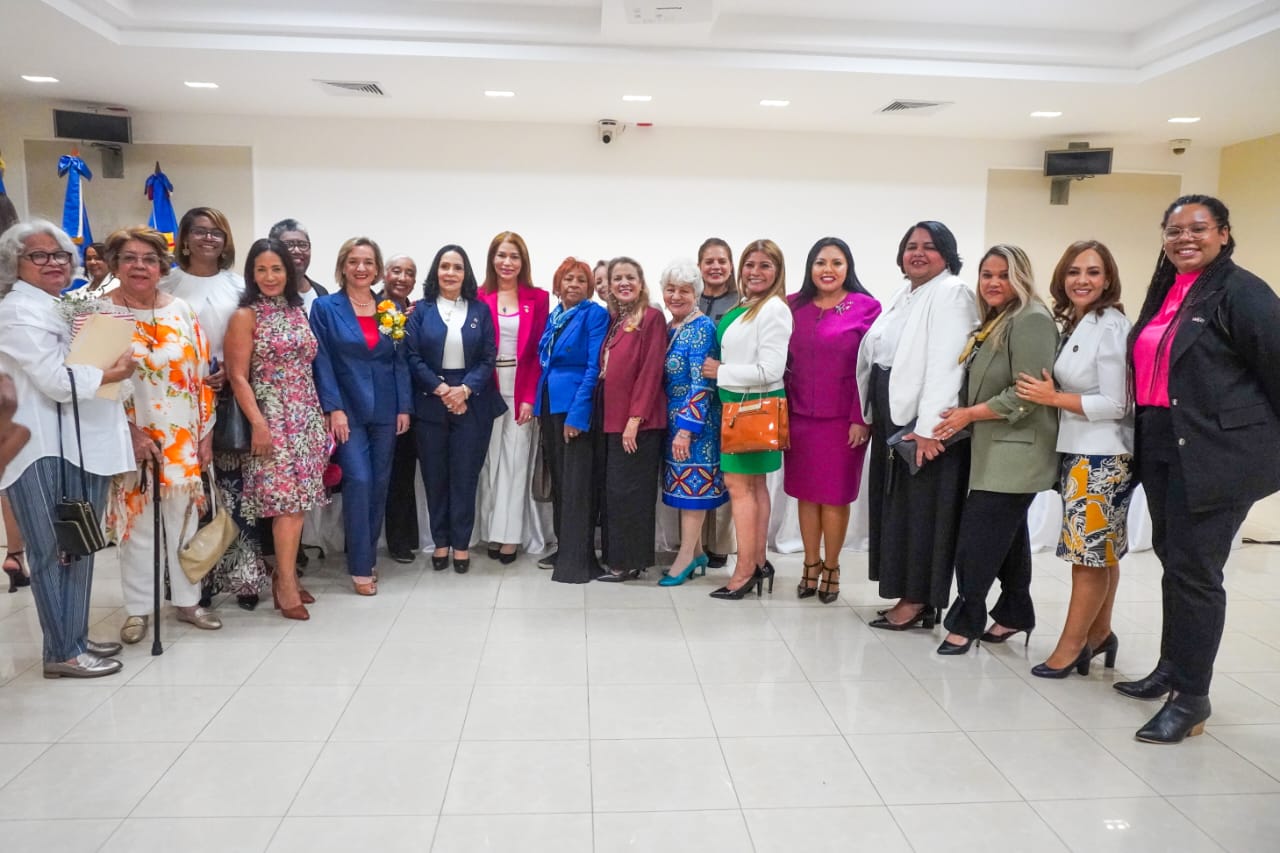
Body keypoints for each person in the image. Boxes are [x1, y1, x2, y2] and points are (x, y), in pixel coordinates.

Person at [1116, 195, 1280, 744]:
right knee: (1173, 559)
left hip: (1216, 454)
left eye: (1198, 228)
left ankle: (1192, 698)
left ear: (1225, 234)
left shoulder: (1243, 292)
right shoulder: (1170, 288)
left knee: (1196, 573)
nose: (1185, 238)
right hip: (1164, 443)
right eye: (1174, 230)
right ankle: (1172, 668)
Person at [0, 220, 135, 675]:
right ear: (14, 264)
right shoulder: (18, 311)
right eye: (38, 256)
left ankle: (73, 634)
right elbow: (57, 383)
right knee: (53, 550)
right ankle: (62, 652)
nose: (53, 263)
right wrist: (111, 374)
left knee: (78, 543)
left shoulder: (58, 306)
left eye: (59, 255)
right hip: (38, 447)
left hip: (73, 443)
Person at [933, 245, 1059, 655]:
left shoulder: (1032, 320)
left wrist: (969, 414)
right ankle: (1015, 611)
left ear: (1020, 277)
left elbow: (1027, 396)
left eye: (1003, 275)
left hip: (1018, 449)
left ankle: (965, 619)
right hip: (994, 447)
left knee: (979, 538)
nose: (992, 282)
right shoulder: (999, 320)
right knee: (1008, 535)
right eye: (987, 274)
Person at [1015, 241, 1133, 678]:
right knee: (1101, 553)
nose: (1082, 280)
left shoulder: (1111, 326)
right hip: (1080, 449)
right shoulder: (1078, 322)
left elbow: (1116, 402)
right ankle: (1100, 635)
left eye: (1093, 272)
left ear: (1108, 280)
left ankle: (1071, 647)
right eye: (1074, 272)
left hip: (1101, 454)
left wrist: (1053, 398)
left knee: (1087, 558)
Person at [858, 221, 979, 631]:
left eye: (929, 246)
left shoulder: (952, 293)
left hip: (924, 421)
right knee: (898, 508)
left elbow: (949, 364)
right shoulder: (906, 292)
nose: (918, 253)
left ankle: (919, 600)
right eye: (911, 246)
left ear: (947, 253)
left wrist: (929, 428)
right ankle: (905, 590)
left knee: (923, 511)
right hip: (894, 408)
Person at [104, 225, 223, 641]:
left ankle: (188, 602)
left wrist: (205, 435)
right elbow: (94, 384)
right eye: (130, 258)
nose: (140, 266)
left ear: (162, 266)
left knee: (184, 522)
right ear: (115, 265)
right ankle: (138, 609)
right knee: (136, 526)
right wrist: (129, 433)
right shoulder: (102, 313)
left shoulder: (181, 311)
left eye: (149, 259)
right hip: (128, 437)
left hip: (182, 438)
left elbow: (202, 376)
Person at [160, 207, 268, 610]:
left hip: (229, 401)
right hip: (177, 406)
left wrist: (229, 372)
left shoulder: (237, 286)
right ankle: (192, 582)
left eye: (217, 233)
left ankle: (243, 577)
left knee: (236, 493)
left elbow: (251, 341)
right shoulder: (167, 284)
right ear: (184, 239)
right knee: (192, 495)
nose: (209, 239)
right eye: (200, 232)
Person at [224, 238, 330, 621]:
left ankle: (286, 575)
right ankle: (285, 582)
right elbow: (237, 376)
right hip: (271, 417)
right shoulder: (245, 316)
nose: (269, 277)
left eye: (276, 269)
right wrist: (258, 424)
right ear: (251, 274)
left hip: (306, 417)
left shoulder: (297, 311)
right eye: (261, 270)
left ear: (289, 272)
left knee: (299, 504)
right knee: (285, 505)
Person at [310, 237, 411, 595]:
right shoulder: (325, 308)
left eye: (368, 262)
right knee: (360, 481)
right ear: (343, 266)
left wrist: (403, 407)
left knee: (379, 484)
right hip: (347, 411)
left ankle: (365, 556)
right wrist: (332, 408)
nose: (361, 268)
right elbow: (321, 361)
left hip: (385, 409)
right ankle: (359, 567)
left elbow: (399, 360)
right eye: (354, 261)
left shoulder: (389, 308)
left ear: (377, 268)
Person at [785, 238, 882, 602]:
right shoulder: (792, 305)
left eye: (837, 263)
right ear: (810, 267)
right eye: (820, 262)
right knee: (806, 495)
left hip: (843, 422)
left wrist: (862, 418)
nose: (828, 269)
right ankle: (809, 565)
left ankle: (832, 566)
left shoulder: (867, 308)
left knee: (835, 497)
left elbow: (871, 369)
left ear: (848, 268)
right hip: (798, 418)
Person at [700, 239, 793, 599]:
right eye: (750, 265)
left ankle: (744, 571)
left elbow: (771, 369)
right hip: (739, 407)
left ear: (777, 272)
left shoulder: (774, 310)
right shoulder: (748, 306)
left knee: (742, 489)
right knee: (753, 488)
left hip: (752, 410)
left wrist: (720, 371)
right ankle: (757, 561)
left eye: (765, 266)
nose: (755, 272)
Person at [405, 245, 504, 574]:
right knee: (435, 477)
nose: (450, 273)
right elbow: (413, 356)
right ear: (436, 272)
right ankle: (441, 542)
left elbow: (489, 356)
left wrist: (463, 389)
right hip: (430, 399)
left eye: (457, 267)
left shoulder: (479, 310)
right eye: (444, 266)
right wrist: (440, 388)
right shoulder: (420, 310)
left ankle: (461, 544)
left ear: (466, 273)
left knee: (464, 476)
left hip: (472, 401)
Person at [533, 257, 610, 583]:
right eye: (568, 279)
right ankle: (566, 546)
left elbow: (594, 367)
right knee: (562, 482)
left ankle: (578, 558)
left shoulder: (594, 314)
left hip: (574, 407)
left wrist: (578, 415)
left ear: (589, 286)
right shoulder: (556, 316)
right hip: (550, 404)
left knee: (577, 483)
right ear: (558, 284)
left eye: (581, 280)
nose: (574, 285)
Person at [476, 231, 549, 563]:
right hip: (485, 391)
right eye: (501, 255)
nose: (507, 262)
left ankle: (510, 538)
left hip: (521, 390)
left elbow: (537, 354)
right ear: (493, 259)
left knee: (515, 463)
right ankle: (491, 531)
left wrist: (530, 398)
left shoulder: (538, 298)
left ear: (523, 262)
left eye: (514, 256)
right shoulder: (478, 296)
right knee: (489, 465)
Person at [594, 256, 667, 582]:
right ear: (609, 286)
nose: (623, 283)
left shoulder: (651, 318)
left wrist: (635, 419)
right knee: (617, 493)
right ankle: (619, 559)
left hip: (639, 425)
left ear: (641, 282)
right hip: (613, 421)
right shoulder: (616, 321)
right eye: (617, 278)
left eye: (630, 277)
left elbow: (650, 372)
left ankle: (630, 563)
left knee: (631, 494)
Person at [656, 259, 727, 587]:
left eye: (684, 290)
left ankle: (685, 557)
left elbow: (703, 384)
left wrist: (686, 429)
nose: (676, 296)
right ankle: (696, 551)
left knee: (692, 492)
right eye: (670, 289)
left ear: (696, 293)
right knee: (681, 489)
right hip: (673, 422)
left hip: (696, 428)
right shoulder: (672, 326)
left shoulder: (702, 328)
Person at [694, 237, 739, 569]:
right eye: (709, 261)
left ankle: (720, 543)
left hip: (728, 397)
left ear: (731, 265)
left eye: (721, 261)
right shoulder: (687, 298)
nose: (715, 267)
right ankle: (693, 540)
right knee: (698, 467)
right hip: (694, 400)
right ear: (699, 266)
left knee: (726, 472)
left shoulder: (742, 303)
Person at [380, 254, 421, 563]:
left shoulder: (416, 310)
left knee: (403, 474)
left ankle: (404, 538)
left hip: (412, 403)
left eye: (409, 273)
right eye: (396, 270)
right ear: (384, 273)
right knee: (382, 475)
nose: (402, 277)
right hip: (381, 402)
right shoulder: (373, 307)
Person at [268, 218, 329, 314]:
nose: (297, 250)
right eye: (288, 245)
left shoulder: (321, 293)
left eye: (302, 245)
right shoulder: (267, 293)